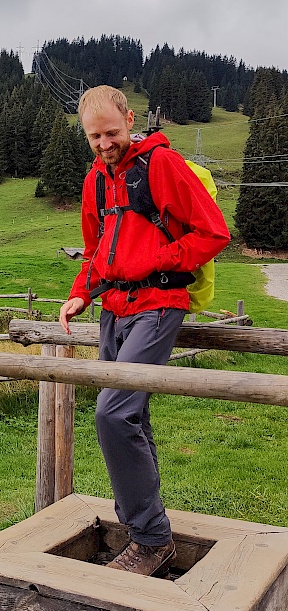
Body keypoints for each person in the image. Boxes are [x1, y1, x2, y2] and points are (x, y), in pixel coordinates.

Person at [59, 86, 230, 577]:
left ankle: (152, 541)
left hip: (158, 304)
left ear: (131, 120)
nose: (104, 143)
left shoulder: (162, 165)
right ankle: (152, 536)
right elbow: (96, 253)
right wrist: (80, 293)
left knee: (112, 415)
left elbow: (213, 233)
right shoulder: (96, 180)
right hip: (114, 309)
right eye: (94, 136)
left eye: (112, 132)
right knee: (131, 416)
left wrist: (153, 261)